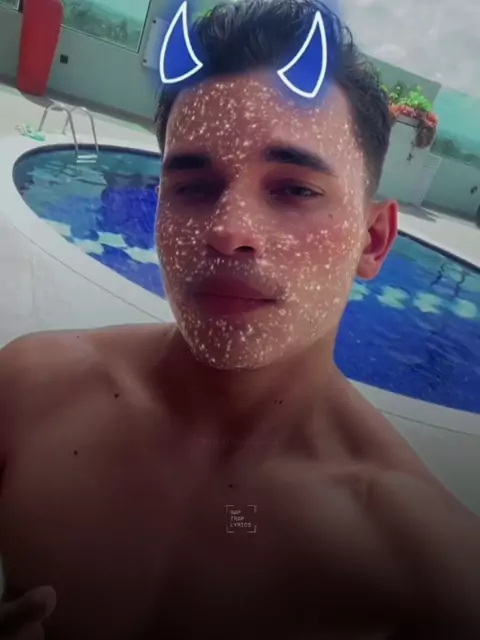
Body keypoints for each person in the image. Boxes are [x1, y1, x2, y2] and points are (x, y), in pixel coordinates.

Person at [1, 1, 479, 638]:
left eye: (294, 188)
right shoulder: (26, 391)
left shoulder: (430, 569)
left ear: (373, 240)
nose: (228, 231)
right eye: (194, 186)